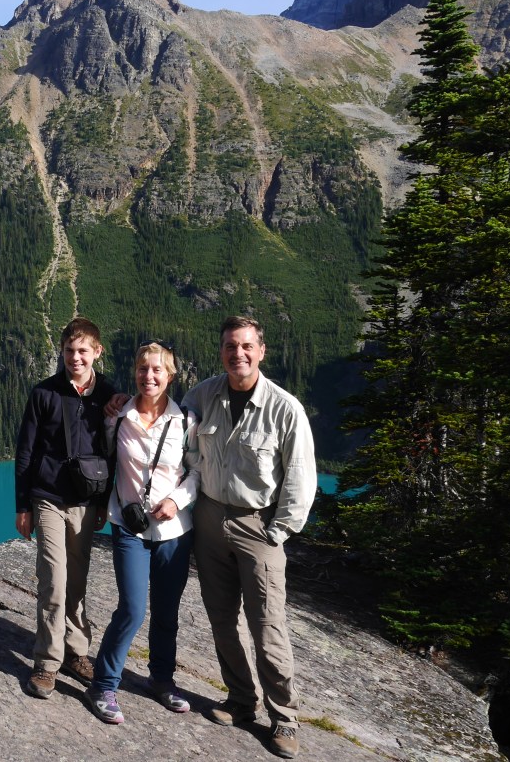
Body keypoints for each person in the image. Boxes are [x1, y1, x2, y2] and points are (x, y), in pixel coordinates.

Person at [181, 316, 317, 760]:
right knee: (221, 620)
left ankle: (284, 717)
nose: (236, 354)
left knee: (267, 626)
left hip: (258, 525)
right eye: (228, 346)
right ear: (220, 351)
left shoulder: (284, 408)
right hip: (209, 519)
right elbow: (169, 431)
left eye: (245, 346)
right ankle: (241, 700)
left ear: (260, 351)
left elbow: (300, 478)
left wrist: (277, 531)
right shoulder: (203, 394)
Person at [85, 339, 199, 726]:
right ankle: (103, 684)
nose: (148, 376)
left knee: (167, 612)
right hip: (129, 527)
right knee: (132, 609)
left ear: (170, 375)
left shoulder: (186, 422)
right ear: (134, 372)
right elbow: (102, 457)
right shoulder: (119, 415)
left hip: (173, 530)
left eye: (157, 370)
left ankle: (162, 680)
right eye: (142, 369)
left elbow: (197, 471)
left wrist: (177, 500)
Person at [15, 317, 116, 700]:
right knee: (54, 580)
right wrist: (23, 504)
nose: (76, 357)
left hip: (87, 502)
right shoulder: (44, 393)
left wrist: (104, 502)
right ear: (62, 351)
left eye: (83, 351)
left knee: (77, 581)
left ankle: (77, 652)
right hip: (48, 498)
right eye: (70, 351)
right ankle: (46, 661)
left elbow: (114, 451)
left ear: (97, 352)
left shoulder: (108, 396)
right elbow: (25, 452)